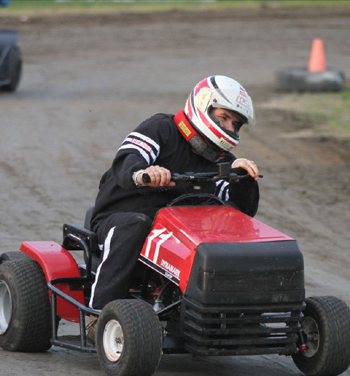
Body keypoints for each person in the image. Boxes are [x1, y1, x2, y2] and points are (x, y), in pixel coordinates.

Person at [87, 75, 260, 337]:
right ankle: (98, 315)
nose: (230, 127)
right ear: (204, 105)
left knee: (229, 232)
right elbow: (126, 161)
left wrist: (243, 179)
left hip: (175, 230)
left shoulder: (223, 160)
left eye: (235, 124)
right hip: (119, 218)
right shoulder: (162, 129)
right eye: (224, 117)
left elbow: (240, 211)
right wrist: (143, 172)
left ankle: (230, 313)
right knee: (137, 224)